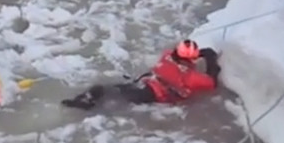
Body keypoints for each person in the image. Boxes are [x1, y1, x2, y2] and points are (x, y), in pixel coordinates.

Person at [61, 40, 221, 110]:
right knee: (116, 98)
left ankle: (83, 102)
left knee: (106, 90)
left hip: (144, 84)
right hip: (150, 95)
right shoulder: (191, 77)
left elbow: (175, 53)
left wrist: (196, 53)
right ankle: (89, 105)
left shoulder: (167, 56)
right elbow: (212, 82)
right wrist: (209, 56)